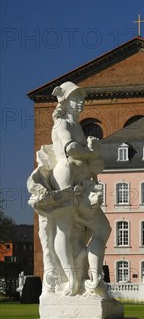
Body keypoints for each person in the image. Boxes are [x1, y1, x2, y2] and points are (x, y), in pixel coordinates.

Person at [27, 81, 110, 297]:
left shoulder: (78, 128)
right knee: (64, 226)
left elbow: (88, 158)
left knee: (103, 229)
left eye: (81, 97)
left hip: (83, 181)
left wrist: (93, 152)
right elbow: (70, 149)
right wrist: (91, 152)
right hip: (65, 176)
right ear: (65, 101)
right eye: (76, 97)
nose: (80, 101)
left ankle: (94, 278)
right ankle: (71, 279)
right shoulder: (61, 125)